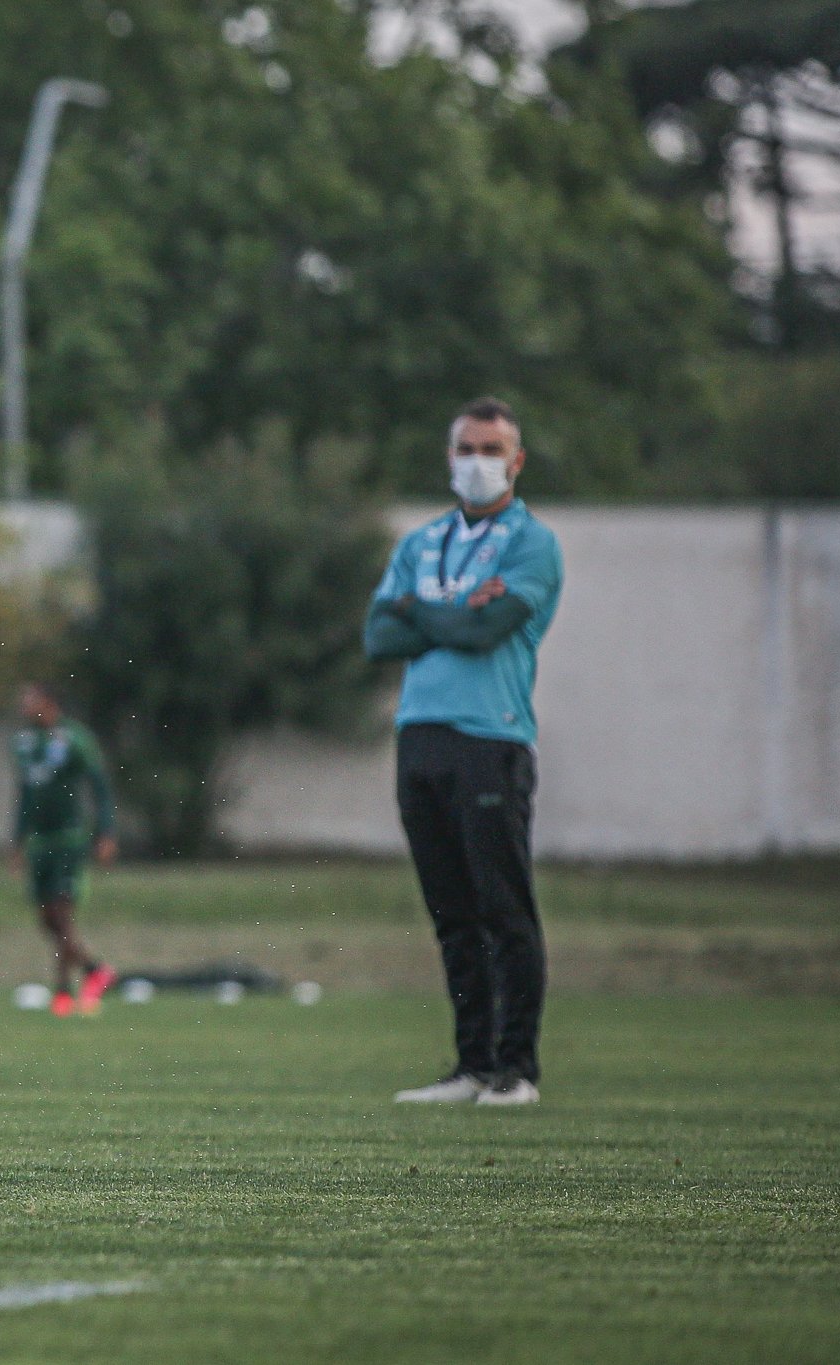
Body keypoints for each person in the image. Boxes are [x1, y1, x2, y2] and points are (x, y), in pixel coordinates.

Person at [364, 397, 565, 1108]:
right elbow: (378, 636)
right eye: (467, 447)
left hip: (492, 735)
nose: (477, 460)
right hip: (420, 735)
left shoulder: (530, 542)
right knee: (451, 911)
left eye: (492, 448)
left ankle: (518, 1068)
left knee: (503, 907)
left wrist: (420, 612)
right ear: (450, 456)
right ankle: (472, 1063)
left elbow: (490, 631)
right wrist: (448, 612)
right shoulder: (422, 542)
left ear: (516, 459)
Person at [9, 683, 118, 1017]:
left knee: (61, 914)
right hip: (40, 842)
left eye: (30, 700)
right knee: (49, 921)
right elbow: (26, 794)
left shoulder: (75, 738)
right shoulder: (24, 743)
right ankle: (92, 971)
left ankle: (63, 990)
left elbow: (99, 784)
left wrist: (106, 831)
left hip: (69, 839)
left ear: (49, 703)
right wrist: (18, 839)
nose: (24, 706)